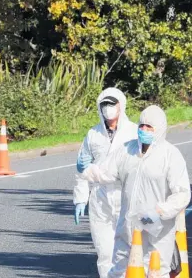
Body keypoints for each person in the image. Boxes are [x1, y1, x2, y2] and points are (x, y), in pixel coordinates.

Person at [78, 105, 190, 278]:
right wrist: (86, 170)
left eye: (149, 127)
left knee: (155, 272)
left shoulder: (170, 156)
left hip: (158, 232)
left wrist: (160, 211)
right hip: (128, 228)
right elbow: (105, 172)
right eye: (141, 126)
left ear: (159, 129)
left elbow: (182, 194)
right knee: (119, 272)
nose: (144, 130)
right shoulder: (126, 150)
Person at [73, 87, 138, 278]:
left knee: (129, 250)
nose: (108, 108)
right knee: (104, 251)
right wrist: (80, 198)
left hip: (126, 196)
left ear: (121, 105)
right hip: (100, 199)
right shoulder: (93, 134)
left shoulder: (134, 132)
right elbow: (81, 169)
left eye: (112, 104)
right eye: (104, 105)